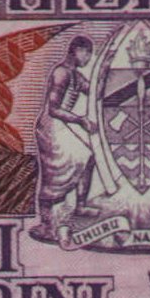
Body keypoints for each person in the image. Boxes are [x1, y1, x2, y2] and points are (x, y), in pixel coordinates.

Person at [32, 36, 100, 241]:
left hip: (61, 125)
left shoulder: (76, 75)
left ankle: (81, 206)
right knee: (54, 175)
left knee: (88, 157)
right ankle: (45, 224)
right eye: (88, 53)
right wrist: (80, 120)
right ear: (77, 51)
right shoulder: (61, 73)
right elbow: (53, 109)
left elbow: (96, 92)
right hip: (50, 127)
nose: (89, 58)